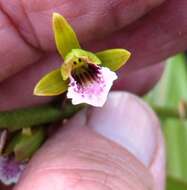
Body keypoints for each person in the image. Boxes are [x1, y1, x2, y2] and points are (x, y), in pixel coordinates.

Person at [0, 0, 186, 189]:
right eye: (75, 65)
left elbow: (120, 57)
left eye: (82, 63)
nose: (79, 65)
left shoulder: (102, 65)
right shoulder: (57, 82)